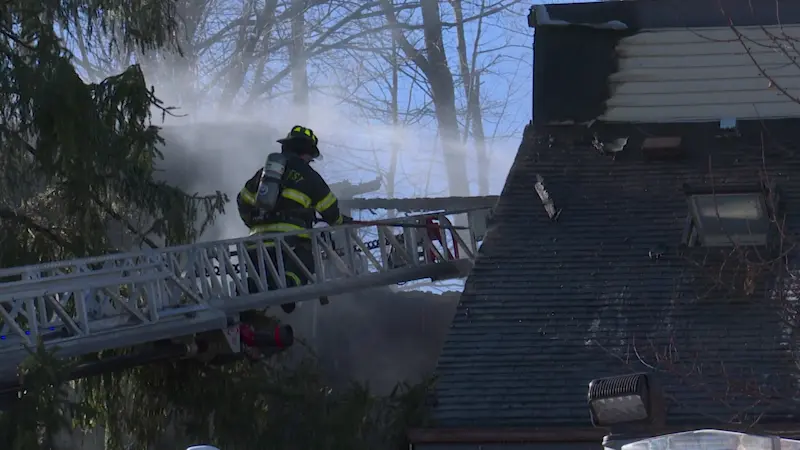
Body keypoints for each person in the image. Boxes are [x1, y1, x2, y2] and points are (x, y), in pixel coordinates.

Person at [237, 125, 352, 313]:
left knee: (261, 275)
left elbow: (242, 200)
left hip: (257, 242)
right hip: (291, 242)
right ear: (307, 153)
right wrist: (340, 221)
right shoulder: (308, 175)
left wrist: (253, 222)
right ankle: (291, 287)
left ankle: (251, 288)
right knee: (304, 261)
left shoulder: (264, 174)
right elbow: (328, 208)